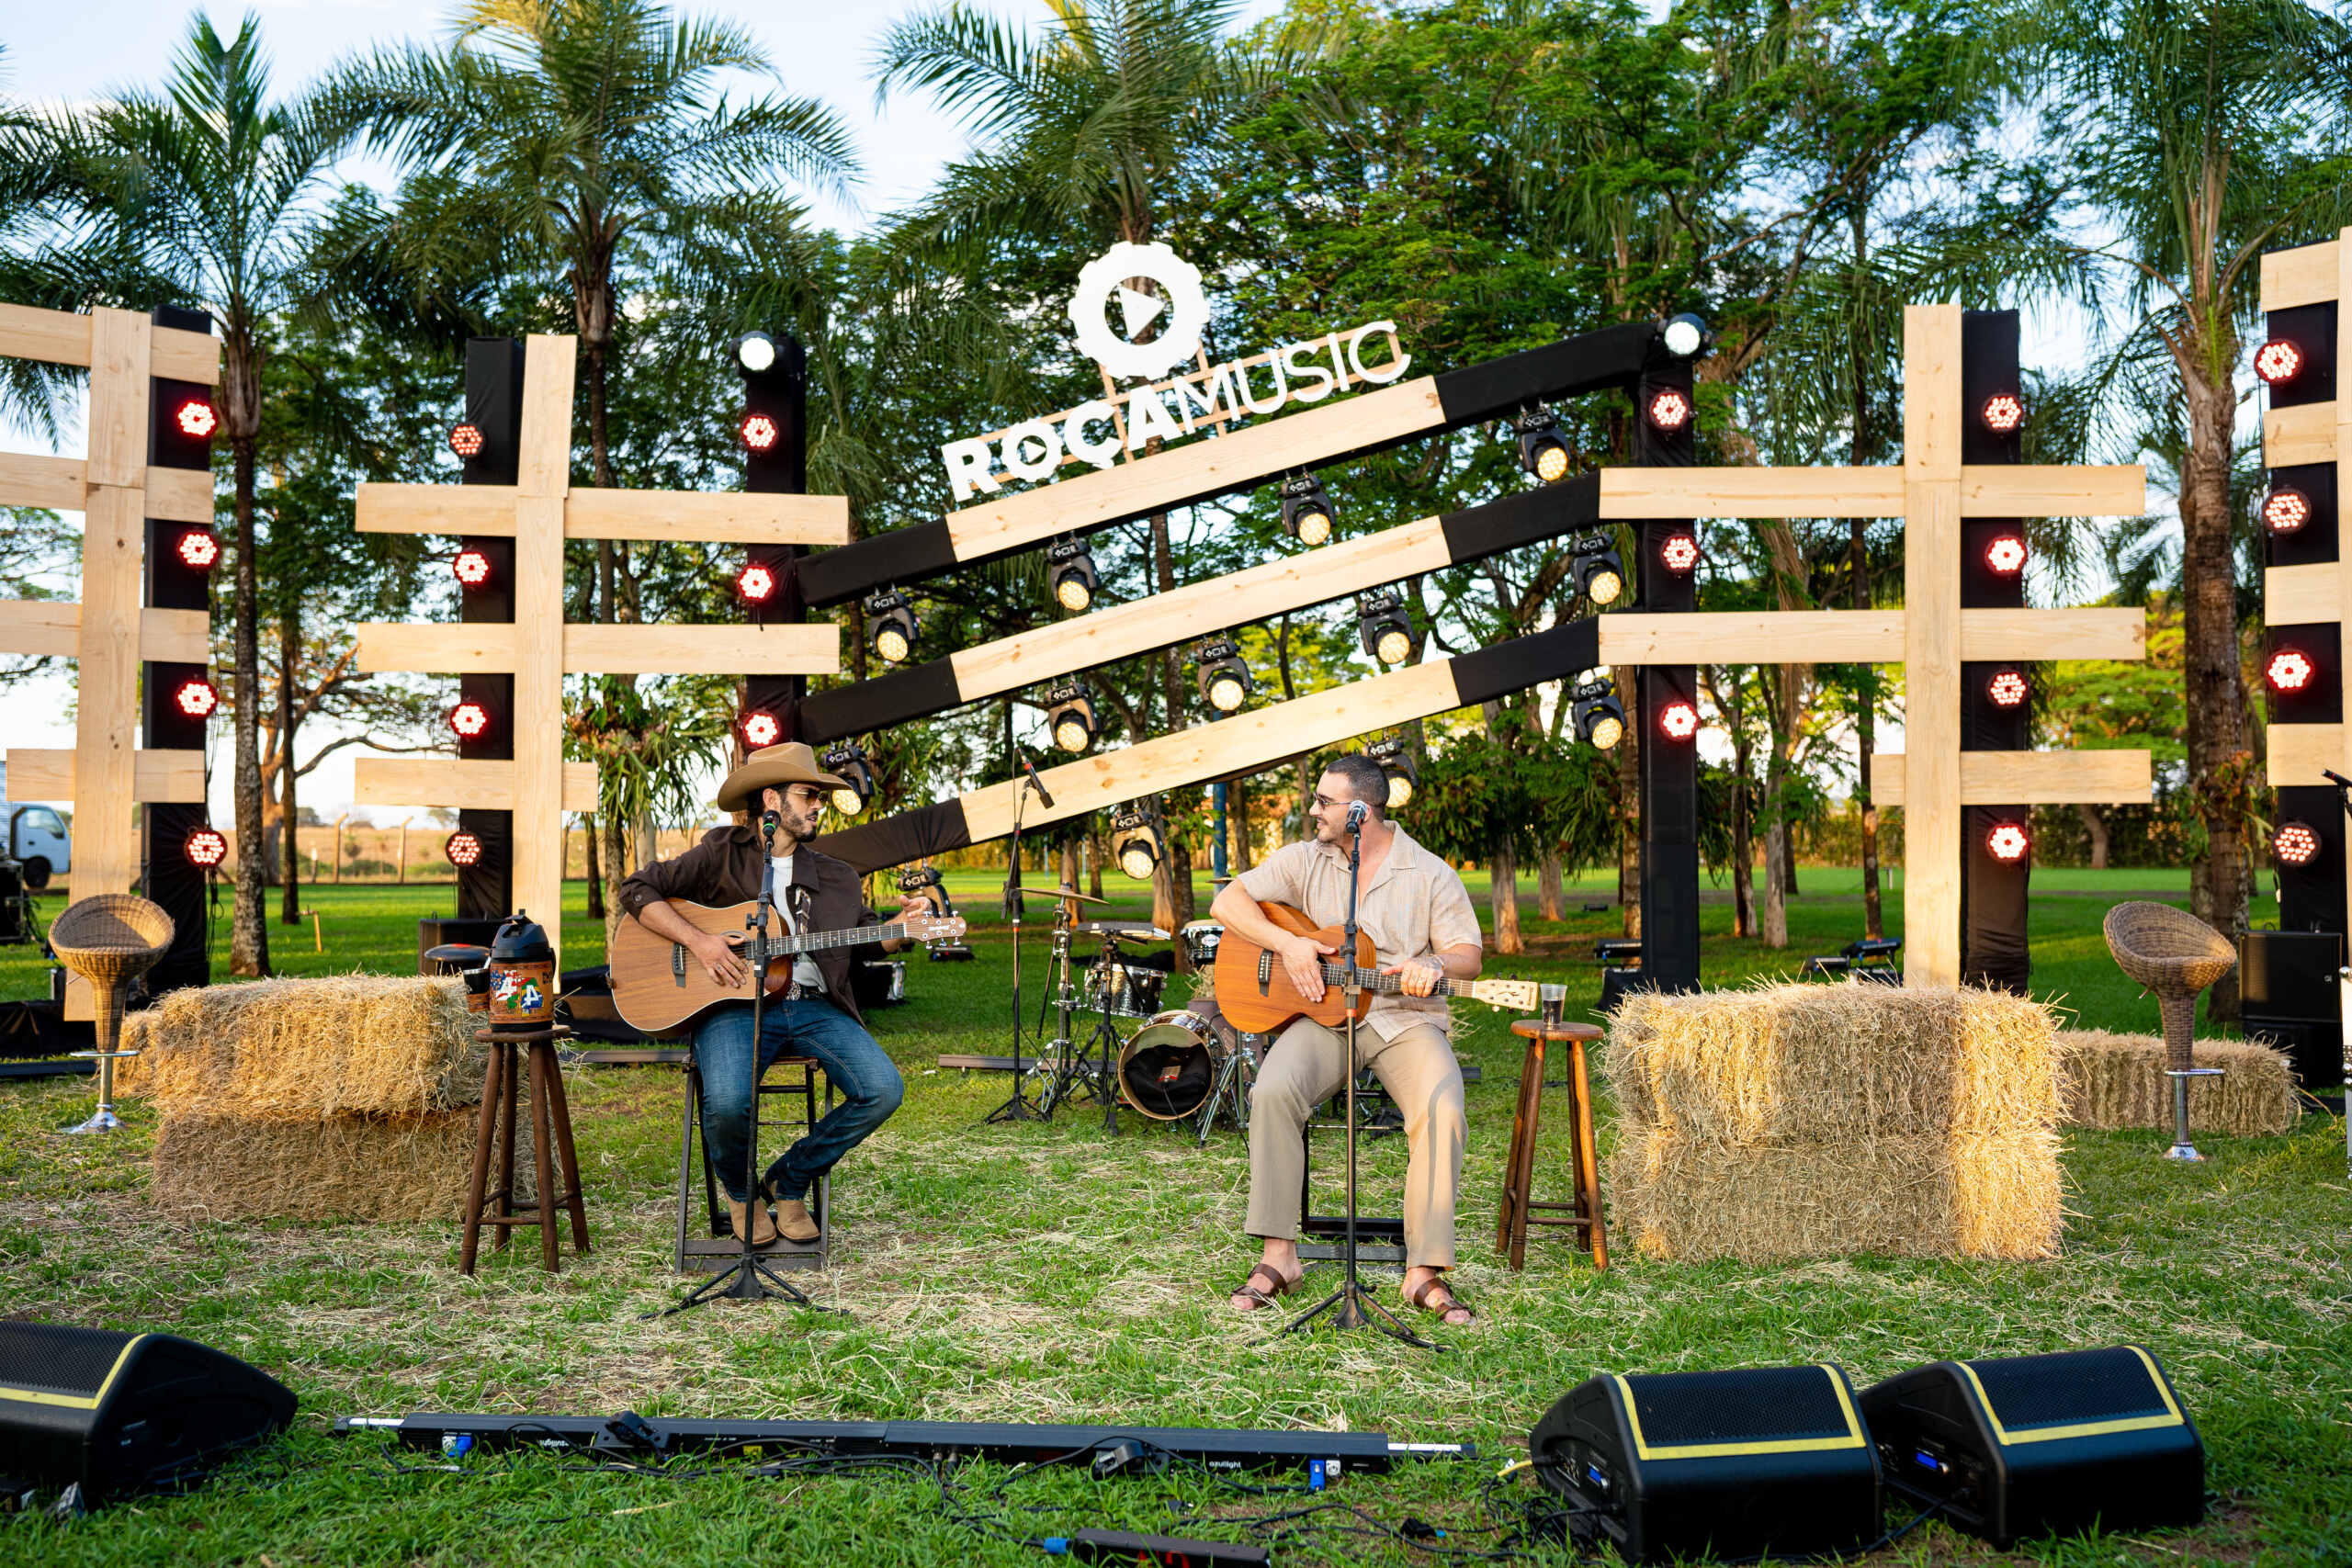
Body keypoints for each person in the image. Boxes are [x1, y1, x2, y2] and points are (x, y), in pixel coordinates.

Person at [1208, 753, 1485, 1328]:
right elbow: (1227, 902)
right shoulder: (1306, 860)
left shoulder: (1430, 872)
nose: (1313, 811)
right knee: (1273, 1092)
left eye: (1324, 803)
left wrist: (1433, 962)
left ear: (1361, 811)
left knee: (1442, 1106)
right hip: (1324, 1017)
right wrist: (1286, 946)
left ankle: (1423, 1270)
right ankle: (1280, 1257)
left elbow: (1469, 954)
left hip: (1403, 1017)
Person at [617, 741, 922, 1247]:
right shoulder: (721, 854)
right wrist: (701, 942)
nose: (818, 805)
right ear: (771, 801)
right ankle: (742, 1194)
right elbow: (637, 889)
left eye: (820, 797)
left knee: (883, 1089)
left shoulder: (838, 877)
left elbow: (868, 939)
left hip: (813, 1009)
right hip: (733, 1003)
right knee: (730, 1102)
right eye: (808, 794)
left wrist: (903, 927)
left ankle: (790, 1178)